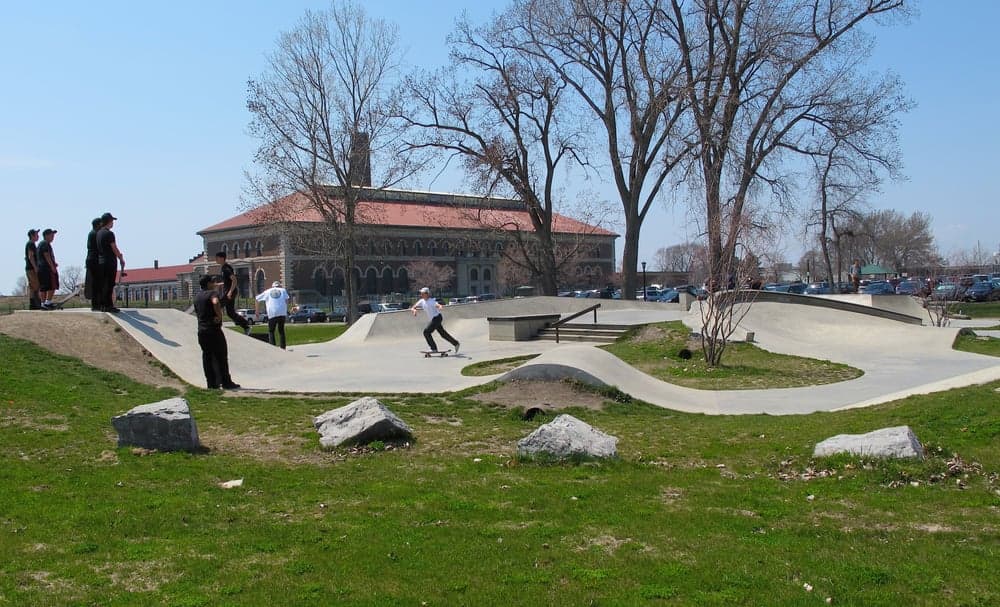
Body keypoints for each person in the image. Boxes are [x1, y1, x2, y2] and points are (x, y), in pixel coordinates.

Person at [194, 274, 240, 390]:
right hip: (214, 330)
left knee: (207, 357)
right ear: (208, 284)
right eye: (212, 282)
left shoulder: (197, 297)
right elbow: (215, 302)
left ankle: (211, 384)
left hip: (202, 331)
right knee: (221, 357)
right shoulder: (212, 294)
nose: (214, 284)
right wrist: (219, 316)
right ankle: (226, 382)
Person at [410, 287, 460, 354]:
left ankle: (433, 348)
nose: (421, 295)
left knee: (426, 332)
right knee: (443, 334)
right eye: (421, 293)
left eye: (422, 293)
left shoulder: (431, 301)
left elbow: (437, 304)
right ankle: (456, 343)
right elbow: (413, 307)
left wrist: (439, 306)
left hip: (437, 318)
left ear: (426, 294)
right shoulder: (421, 301)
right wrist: (414, 310)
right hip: (435, 319)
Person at [95, 212, 126, 313]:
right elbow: (114, 247)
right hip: (109, 261)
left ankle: (103, 305)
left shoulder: (99, 233)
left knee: (103, 284)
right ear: (109, 221)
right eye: (112, 221)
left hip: (101, 261)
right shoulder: (109, 233)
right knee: (109, 284)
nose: (113, 223)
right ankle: (109, 305)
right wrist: (120, 258)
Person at [214, 251, 251, 334]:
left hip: (229, 292)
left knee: (217, 306)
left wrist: (230, 292)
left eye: (217, 258)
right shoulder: (223, 268)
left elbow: (234, 280)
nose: (216, 260)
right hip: (229, 292)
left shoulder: (226, 268)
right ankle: (246, 326)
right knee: (230, 313)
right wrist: (219, 284)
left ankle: (215, 326)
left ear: (222, 258)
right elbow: (228, 281)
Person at [255, 280, 291, 349]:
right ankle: (283, 347)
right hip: (282, 313)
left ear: (272, 286)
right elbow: (287, 300)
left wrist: (257, 311)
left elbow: (257, 299)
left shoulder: (267, 291)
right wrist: (286, 310)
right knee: (281, 331)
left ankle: (273, 348)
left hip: (272, 313)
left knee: (271, 331)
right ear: (279, 286)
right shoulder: (283, 290)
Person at [36, 229, 59, 309]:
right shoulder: (45, 244)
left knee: (44, 286)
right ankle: (47, 302)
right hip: (46, 269)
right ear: (46, 236)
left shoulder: (41, 244)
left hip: (41, 268)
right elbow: (46, 255)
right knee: (52, 285)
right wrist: (52, 267)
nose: (53, 237)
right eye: (51, 235)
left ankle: (43, 303)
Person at [84, 217, 102, 310]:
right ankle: (96, 304)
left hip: (91, 260)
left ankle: (96, 303)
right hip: (94, 260)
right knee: (96, 283)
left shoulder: (92, 233)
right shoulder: (95, 234)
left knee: (95, 283)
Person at [24, 228, 41, 310]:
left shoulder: (31, 244)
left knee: (32, 286)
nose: (38, 236)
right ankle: (35, 304)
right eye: (36, 235)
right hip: (31, 269)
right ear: (32, 236)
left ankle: (33, 304)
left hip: (29, 268)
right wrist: (35, 267)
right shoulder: (30, 244)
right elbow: (30, 256)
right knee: (36, 286)